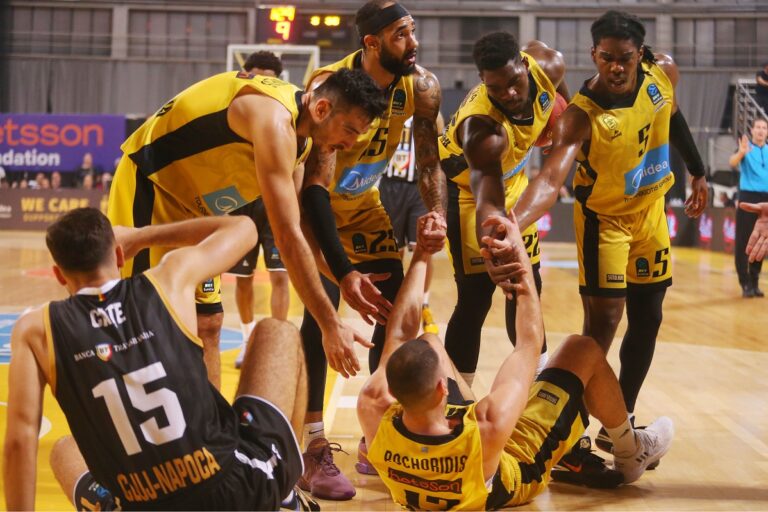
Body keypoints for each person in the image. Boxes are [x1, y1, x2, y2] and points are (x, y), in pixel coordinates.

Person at [506, 10, 708, 487]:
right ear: (593, 54)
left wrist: (698, 171)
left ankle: (622, 421)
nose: (616, 67)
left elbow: (674, 117)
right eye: (606, 58)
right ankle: (568, 444)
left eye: (625, 58)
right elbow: (550, 179)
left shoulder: (663, 74)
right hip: (606, 223)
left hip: (650, 214)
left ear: (641, 54)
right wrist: (513, 223)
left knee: (649, 317)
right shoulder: (581, 115)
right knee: (599, 331)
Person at [357, 211, 674, 510]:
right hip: (515, 472)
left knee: (428, 342)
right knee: (582, 349)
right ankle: (630, 450)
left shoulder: (373, 405)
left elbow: (399, 334)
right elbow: (528, 345)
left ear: (393, 393)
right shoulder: (487, 424)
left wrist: (423, 253)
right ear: (443, 389)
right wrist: (521, 260)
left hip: (455, 467)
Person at [3, 209, 316, 511]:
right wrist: (142, 236)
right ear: (119, 255)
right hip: (234, 495)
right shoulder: (168, 280)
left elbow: (20, 443)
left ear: (59, 275)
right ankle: (285, 492)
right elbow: (244, 228)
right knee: (278, 331)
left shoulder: (36, 329)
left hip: (142, 505)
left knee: (63, 450)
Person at [107, 66, 388, 391]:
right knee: (141, 321)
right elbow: (286, 237)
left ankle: (211, 420)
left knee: (208, 322)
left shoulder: (302, 141)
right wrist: (330, 324)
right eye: (350, 130)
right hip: (152, 183)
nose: (351, 144)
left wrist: (344, 276)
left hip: (197, 213)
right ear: (322, 109)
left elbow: (299, 228)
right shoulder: (274, 121)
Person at [297, 0, 447, 500]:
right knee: (318, 314)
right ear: (372, 43)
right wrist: (340, 271)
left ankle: (376, 430)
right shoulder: (330, 86)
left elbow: (429, 160)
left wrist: (435, 212)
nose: (413, 42)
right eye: (402, 34)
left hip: (364, 205)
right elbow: (314, 186)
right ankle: (312, 443)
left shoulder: (421, 87)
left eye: (413, 31)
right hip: (314, 209)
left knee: (396, 305)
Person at [437, 31, 568, 391]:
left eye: (514, 82)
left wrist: (563, 122)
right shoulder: (481, 128)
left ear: (525, 64)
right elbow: (488, 198)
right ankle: (457, 396)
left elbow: (564, 101)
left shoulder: (549, 65)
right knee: (476, 297)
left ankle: (538, 386)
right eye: (496, 88)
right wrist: (493, 248)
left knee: (528, 286)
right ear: (482, 81)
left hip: (513, 180)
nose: (509, 93)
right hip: (467, 191)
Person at [224, 51, 294, 369]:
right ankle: (248, 341)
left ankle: (276, 345)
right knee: (243, 278)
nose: (264, 84)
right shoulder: (233, 110)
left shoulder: (288, 112)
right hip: (241, 202)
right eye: (258, 78)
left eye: (270, 79)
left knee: (280, 276)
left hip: (275, 200)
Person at [378, 113, 446, 338]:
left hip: (419, 186)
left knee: (423, 248)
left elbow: (439, 150)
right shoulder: (391, 106)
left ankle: (423, 303)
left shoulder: (431, 112)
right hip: (390, 185)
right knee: (393, 251)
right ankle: (394, 300)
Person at [729, 118, 768, 298]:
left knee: (761, 240)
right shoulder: (745, 148)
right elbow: (732, 162)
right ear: (752, 131)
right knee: (744, 241)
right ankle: (744, 282)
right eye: (757, 127)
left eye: (764, 128)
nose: (760, 130)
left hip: (766, 200)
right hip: (748, 197)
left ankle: (754, 281)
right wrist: (741, 152)